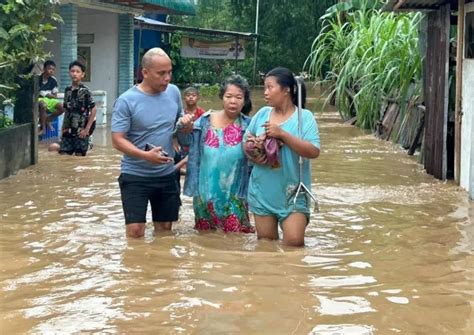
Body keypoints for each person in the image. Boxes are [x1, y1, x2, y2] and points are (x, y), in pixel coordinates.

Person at [111, 48, 193, 238]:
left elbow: (177, 130)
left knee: (165, 231)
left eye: (169, 72)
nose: (167, 78)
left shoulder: (173, 93)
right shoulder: (126, 101)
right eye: (161, 73)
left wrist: (186, 127)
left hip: (166, 174)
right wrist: (145, 156)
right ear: (145, 73)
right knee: (135, 231)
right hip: (135, 174)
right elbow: (117, 140)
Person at [244, 67, 320, 246]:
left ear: (287, 90)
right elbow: (245, 141)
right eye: (265, 88)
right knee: (266, 244)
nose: (265, 93)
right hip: (262, 191)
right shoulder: (262, 114)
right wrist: (254, 151)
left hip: (292, 192)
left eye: (270, 87)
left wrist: (282, 134)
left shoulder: (304, 117)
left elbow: (313, 151)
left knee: (294, 243)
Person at [183, 75, 255, 233]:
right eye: (228, 96)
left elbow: (259, 157)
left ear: (244, 100)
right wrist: (184, 127)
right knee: (205, 240)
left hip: (235, 195)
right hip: (205, 194)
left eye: (238, 97)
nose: (233, 101)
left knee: (235, 240)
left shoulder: (250, 126)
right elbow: (183, 140)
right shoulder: (204, 121)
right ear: (222, 97)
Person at [58, 60, 96, 156]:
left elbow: (94, 110)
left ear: (82, 74)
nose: (74, 74)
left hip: (81, 131)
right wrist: (62, 129)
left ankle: (89, 144)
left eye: (77, 72)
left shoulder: (86, 91)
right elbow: (66, 110)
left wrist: (87, 129)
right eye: (72, 71)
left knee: (79, 158)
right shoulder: (67, 90)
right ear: (69, 73)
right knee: (64, 156)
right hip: (68, 131)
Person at [174, 86, 206, 173]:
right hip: (184, 145)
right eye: (188, 95)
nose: (191, 97)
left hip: (197, 144)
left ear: (198, 98)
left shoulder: (202, 113)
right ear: (184, 98)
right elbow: (175, 130)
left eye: (193, 95)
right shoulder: (181, 113)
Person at [38, 60, 64, 135]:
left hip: (50, 99)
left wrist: (47, 95)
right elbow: (35, 93)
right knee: (43, 105)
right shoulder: (38, 79)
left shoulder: (53, 80)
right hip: (38, 99)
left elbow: (55, 96)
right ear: (44, 69)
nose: (51, 71)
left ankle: (48, 119)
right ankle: (43, 128)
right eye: (49, 69)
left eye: (53, 69)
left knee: (62, 107)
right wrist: (45, 94)